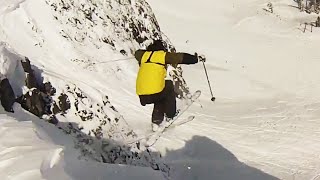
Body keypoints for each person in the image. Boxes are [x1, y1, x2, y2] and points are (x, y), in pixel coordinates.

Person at [134, 39, 202, 131]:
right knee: (168, 85)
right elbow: (181, 57)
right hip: (153, 93)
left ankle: (156, 121)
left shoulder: (143, 55)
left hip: (142, 95)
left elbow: (137, 53)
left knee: (160, 93)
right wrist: (196, 59)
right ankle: (170, 115)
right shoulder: (162, 56)